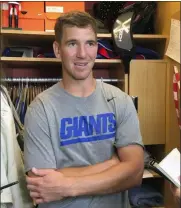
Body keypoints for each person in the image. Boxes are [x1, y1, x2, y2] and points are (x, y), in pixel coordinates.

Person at [24, 11, 144, 208]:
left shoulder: (120, 101)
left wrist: (67, 185)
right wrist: (112, 165)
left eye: (90, 43)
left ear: (97, 47)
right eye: (72, 43)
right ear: (57, 49)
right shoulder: (40, 109)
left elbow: (135, 174)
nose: (82, 53)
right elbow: (41, 184)